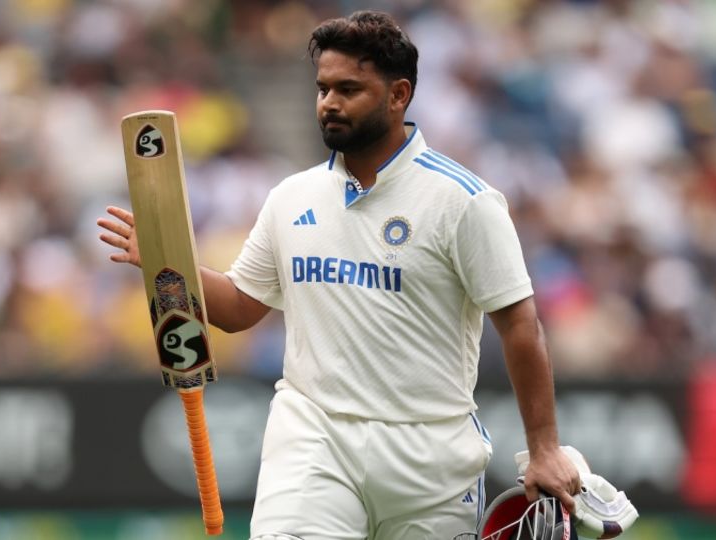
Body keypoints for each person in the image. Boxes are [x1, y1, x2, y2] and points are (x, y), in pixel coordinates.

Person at [98, 10, 580, 539]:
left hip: (431, 459)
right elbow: (238, 308)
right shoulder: (291, 197)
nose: (329, 103)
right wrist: (168, 261)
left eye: (349, 89)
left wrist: (544, 449)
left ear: (399, 95)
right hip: (314, 441)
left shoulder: (464, 201)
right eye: (323, 88)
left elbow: (520, 325)